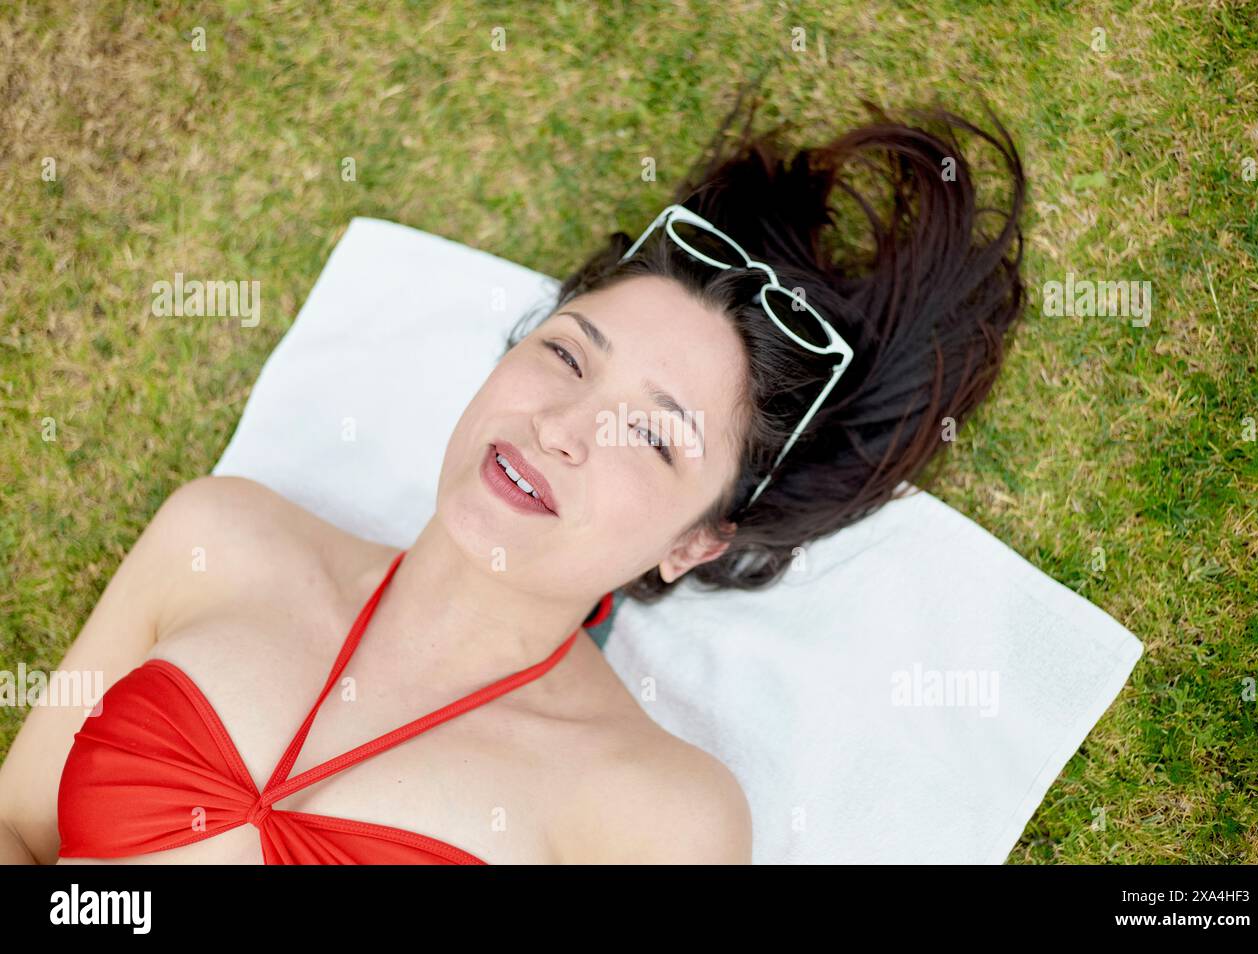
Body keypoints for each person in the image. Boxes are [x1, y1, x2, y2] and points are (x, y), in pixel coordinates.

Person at [0, 85, 1026, 865]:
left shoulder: (651, 811)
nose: (565, 427)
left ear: (695, 541)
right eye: (567, 355)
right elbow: (20, 827)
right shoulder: (218, 540)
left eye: (651, 436)